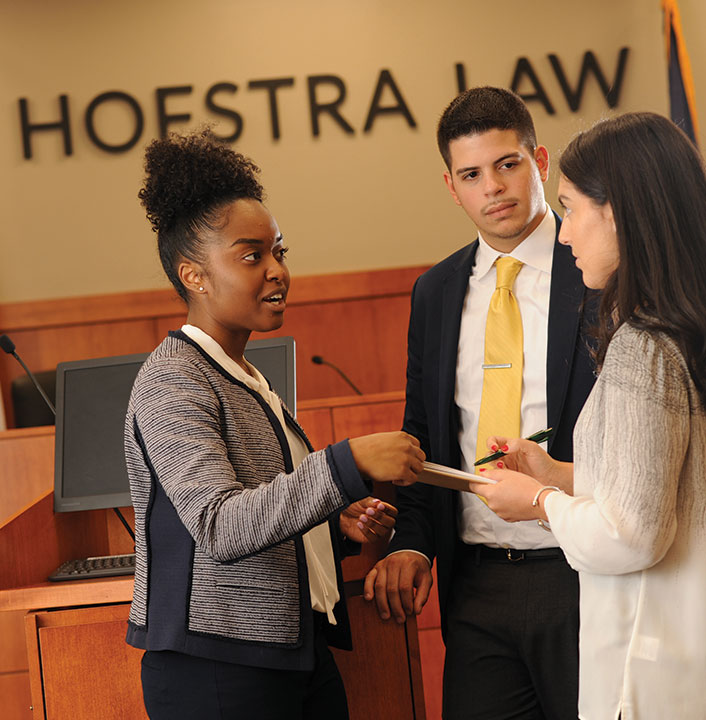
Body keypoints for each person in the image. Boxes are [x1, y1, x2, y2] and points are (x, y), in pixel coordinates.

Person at [125, 129, 425, 720]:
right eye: (251, 255)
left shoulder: (243, 373)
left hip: (288, 651)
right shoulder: (173, 379)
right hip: (219, 666)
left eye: (279, 251)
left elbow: (263, 505)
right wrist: (349, 463)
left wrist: (334, 524)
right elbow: (220, 525)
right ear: (194, 275)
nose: (277, 271)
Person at [364, 86, 597, 720]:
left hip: (584, 568)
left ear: (539, 160)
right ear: (452, 186)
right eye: (472, 174)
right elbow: (422, 432)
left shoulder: (598, 268)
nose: (493, 187)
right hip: (477, 582)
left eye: (507, 164)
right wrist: (410, 544)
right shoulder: (436, 291)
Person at [470, 111, 706, 720]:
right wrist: (559, 475)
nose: (565, 232)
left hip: (649, 665)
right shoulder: (682, 327)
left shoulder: (644, 344)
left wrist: (539, 504)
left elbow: (634, 535)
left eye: (571, 209)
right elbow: (668, 484)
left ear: (620, 213)